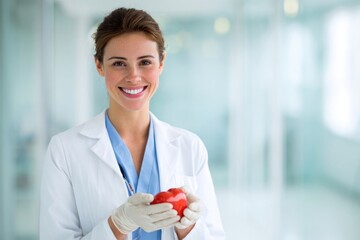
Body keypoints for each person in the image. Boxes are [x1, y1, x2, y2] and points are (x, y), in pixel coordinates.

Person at [39, 7, 225, 240]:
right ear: (99, 65)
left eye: (145, 62)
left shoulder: (190, 146)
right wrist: (117, 224)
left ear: (161, 63)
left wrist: (187, 228)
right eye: (118, 63)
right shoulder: (64, 150)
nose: (134, 76)